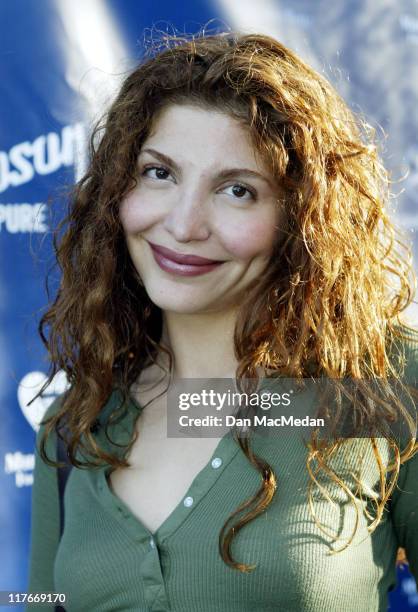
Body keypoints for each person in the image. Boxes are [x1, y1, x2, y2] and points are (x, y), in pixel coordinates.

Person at [26, 30, 418, 611]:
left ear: (301, 216)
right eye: (159, 173)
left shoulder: (385, 379)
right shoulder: (78, 419)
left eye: (237, 190)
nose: (184, 225)